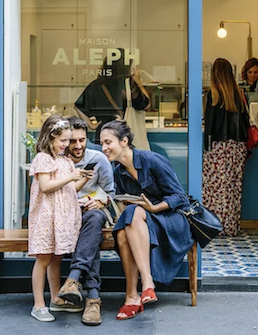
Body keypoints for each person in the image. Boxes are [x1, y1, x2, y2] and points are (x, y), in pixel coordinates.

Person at [99, 120, 194, 320]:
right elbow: (124, 203)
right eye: (102, 144)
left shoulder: (152, 160)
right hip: (141, 222)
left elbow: (180, 197)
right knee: (124, 230)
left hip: (170, 218)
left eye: (108, 142)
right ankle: (139, 292)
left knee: (132, 215)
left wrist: (154, 207)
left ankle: (138, 290)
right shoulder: (118, 172)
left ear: (124, 141)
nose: (103, 148)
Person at [28, 114, 92, 322]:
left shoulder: (65, 161)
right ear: (50, 137)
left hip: (61, 218)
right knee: (44, 258)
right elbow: (46, 187)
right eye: (63, 140)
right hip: (46, 217)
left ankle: (56, 298)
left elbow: (70, 188)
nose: (67, 144)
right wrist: (71, 177)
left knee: (56, 257)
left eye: (68, 140)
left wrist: (82, 178)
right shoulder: (43, 159)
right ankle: (38, 305)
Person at [55, 116, 115, 326]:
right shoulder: (58, 162)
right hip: (66, 216)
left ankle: (73, 280)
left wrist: (99, 201)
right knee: (92, 233)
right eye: (73, 141)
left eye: (82, 140)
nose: (78, 145)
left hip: (93, 214)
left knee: (94, 218)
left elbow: (111, 193)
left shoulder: (99, 159)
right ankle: (92, 297)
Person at [202, 58, 249, 237]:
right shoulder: (238, 94)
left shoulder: (213, 95)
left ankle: (215, 225)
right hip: (237, 147)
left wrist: (207, 148)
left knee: (215, 188)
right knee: (233, 188)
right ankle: (231, 226)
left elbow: (210, 126)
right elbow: (245, 121)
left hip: (219, 147)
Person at [74, 49, 150, 143]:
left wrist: (91, 125)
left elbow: (78, 106)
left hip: (103, 135)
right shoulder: (128, 84)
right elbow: (146, 105)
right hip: (123, 136)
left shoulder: (97, 84)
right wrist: (138, 81)